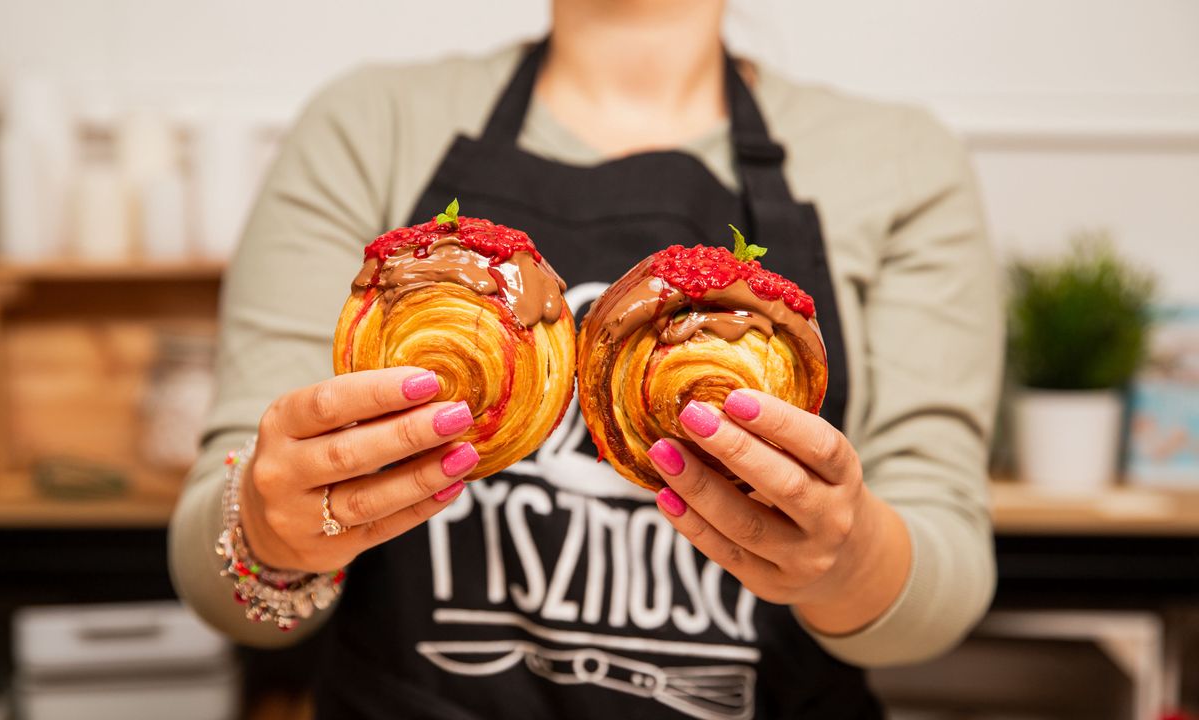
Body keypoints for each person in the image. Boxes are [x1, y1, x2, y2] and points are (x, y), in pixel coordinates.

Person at [169, 0, 1002, 717]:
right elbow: (218, 574)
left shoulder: (899, 162)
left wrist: (846, 558)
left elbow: (945, 577)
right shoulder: (367, 124)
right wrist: (271, 531)